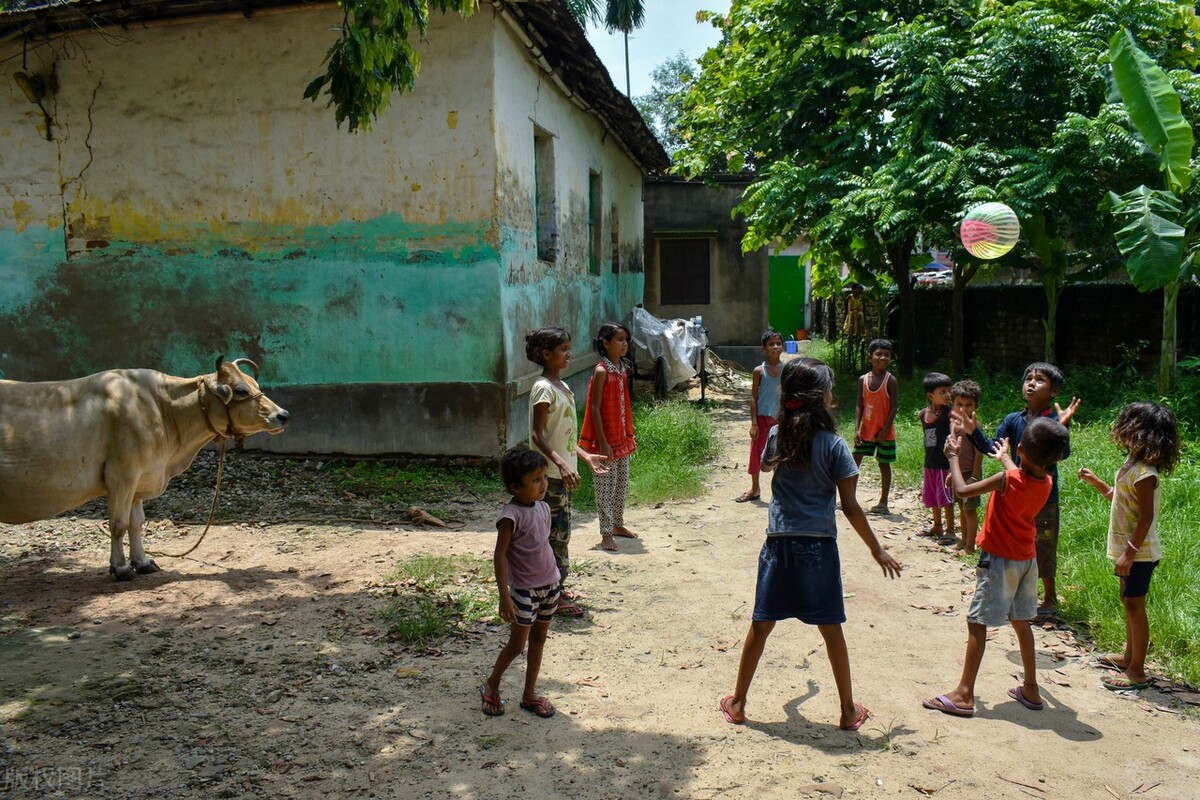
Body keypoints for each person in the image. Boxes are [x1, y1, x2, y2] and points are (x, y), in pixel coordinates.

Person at [719, 360, 902, 731]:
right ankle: (848, 711)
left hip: (779, 544)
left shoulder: (779, 438)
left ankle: (738, 702)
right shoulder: (835, 446)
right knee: (831, 627)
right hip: (818, 547)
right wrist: (876, 548)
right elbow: (850, 507)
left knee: (762, 622)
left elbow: (767, 466)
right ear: (822, 398)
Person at [923, 417, 1070, 718]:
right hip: (1026, 560)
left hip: (999, 560)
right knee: (1021, 620)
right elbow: (1020, 478)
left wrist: (952, 457)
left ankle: (964, 694)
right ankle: (1031, 687)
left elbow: (963, 490)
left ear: (1021, 449)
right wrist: (1004, 459)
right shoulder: (1046, 482)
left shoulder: (1006, 481)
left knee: (977, 622)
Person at [955, 362, 1080, 615]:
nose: (1031, 383)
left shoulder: (1054, 421)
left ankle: (1050, 598)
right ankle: (1018, 593)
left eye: (1039, 380)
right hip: (1015, 495)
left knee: (1044, 544)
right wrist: (973, 432)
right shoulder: (1013, 420)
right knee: (1018, 541)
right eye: (1028, 379)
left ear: (1054, 391)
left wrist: (1062, 426)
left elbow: (1062, 453)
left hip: (1044, 497)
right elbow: (995, 448)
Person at [1078, 402, 1180, 692]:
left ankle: (1137, 670)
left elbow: (1146, 517)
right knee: (1128, 602)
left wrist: (1129, 554)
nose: (1120, 432)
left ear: (1142, 434)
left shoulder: (1145, 473)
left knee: (1136, 606)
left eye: (1127, 427)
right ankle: (1127, 656)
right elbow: (1122, 502)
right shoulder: (1131, 465)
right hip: (1131, 552)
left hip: (1140, 553)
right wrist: (1098, 484)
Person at [526, 326, 609, 617]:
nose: (568, 354)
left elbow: (565, 436)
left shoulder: (563, 387)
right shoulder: (543, 388)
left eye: (568, 349)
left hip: (562, 474)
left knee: (562, 533)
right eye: (563, 350)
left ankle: (556, 587)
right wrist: (560, 463)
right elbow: (537, 435)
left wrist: (583, 456)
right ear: (546, 354)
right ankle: (552, 594)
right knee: (553, 536)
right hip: (548, 477)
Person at [480, 447, 561, 718]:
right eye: (535, 480)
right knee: (517, 646)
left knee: (539, 640)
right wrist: (504, 597)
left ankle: (529, 694)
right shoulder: (510, 516)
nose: (543, 485)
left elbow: (542, 544)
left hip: (550, 585)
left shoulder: (544, 507)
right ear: (515, 487)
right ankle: (492, 684)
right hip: (525, 591)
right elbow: (500, 556)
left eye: (544, 478)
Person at [579, 321, 639, 552]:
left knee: (621, 484)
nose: (624, 344)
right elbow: (594, 408)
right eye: (619, 340)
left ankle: (617, 525)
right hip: (604, 439)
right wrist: (602, 442)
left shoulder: (622, 368)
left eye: (626, 340)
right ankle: (605, 533)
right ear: (606, 343)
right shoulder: (602, 370)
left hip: (621, 437)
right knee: (605, 486)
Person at [736, 329, 785, 503]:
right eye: (771, 344)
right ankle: (755, 488)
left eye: (778, 343)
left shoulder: (787, 370)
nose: (775, 347)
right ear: (763, 349)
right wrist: (754, 423)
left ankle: (779, 491)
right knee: (756, 453)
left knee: (780, 455)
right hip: (763, 419)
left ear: (783, 346)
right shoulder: (759, 371)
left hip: (780, 420)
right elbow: (754, 398)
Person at [852, 338, 898, 514]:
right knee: (854, 461)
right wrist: (857, 428)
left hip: (884, 432)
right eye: (878, 354)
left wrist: (886, 428)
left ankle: (883, 502)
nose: (883, 358)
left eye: (886, 355)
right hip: (865, 431)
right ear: (870, 357)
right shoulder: (863, 379)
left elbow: (894, 406)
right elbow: (859, 405)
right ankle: (850, 498)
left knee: (884, 464)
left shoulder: (890, 380)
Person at [919, 372, 955, 544]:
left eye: (949, 391)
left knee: (946, 498)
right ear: (930, 395)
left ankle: (950, 530)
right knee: (932, 495)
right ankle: (937, 526)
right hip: (930, 462)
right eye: (943, 392)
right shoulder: (923, 414)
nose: (948, 395)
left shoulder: (949, 415)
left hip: (944, 464)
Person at [949, 380, 983, 554]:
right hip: (957, 473)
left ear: (976, 405)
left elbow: (979, 454)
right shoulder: (953, 424)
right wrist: (950, 474)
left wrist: (975, 477)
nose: (963, 409)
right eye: (959, 404)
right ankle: (963, 541)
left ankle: (970, 546)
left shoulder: (974, 427)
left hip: (970, 474)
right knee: (961, 508)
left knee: (969, 510)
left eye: (968, 405)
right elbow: (952, 450)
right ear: (952, 404)